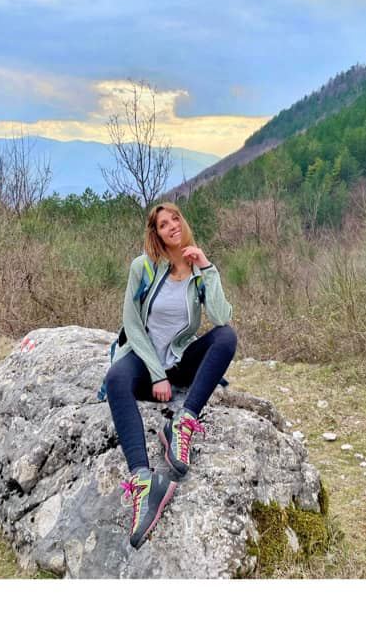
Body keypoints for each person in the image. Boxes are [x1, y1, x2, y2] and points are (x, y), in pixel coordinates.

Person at [102, 201, 237, 549]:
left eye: (175, 219)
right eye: (163, 224)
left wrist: (207, 267)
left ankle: (182, 423)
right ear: (156, 233)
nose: (172, 226)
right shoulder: (144, 267)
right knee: (117, 378)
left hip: (179, 362)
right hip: (146, 363)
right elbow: (132, 324)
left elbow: (221, 317)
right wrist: (155, 374)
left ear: (183, 223)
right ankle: (145, 482)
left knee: (226, 337)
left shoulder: (196, 271)